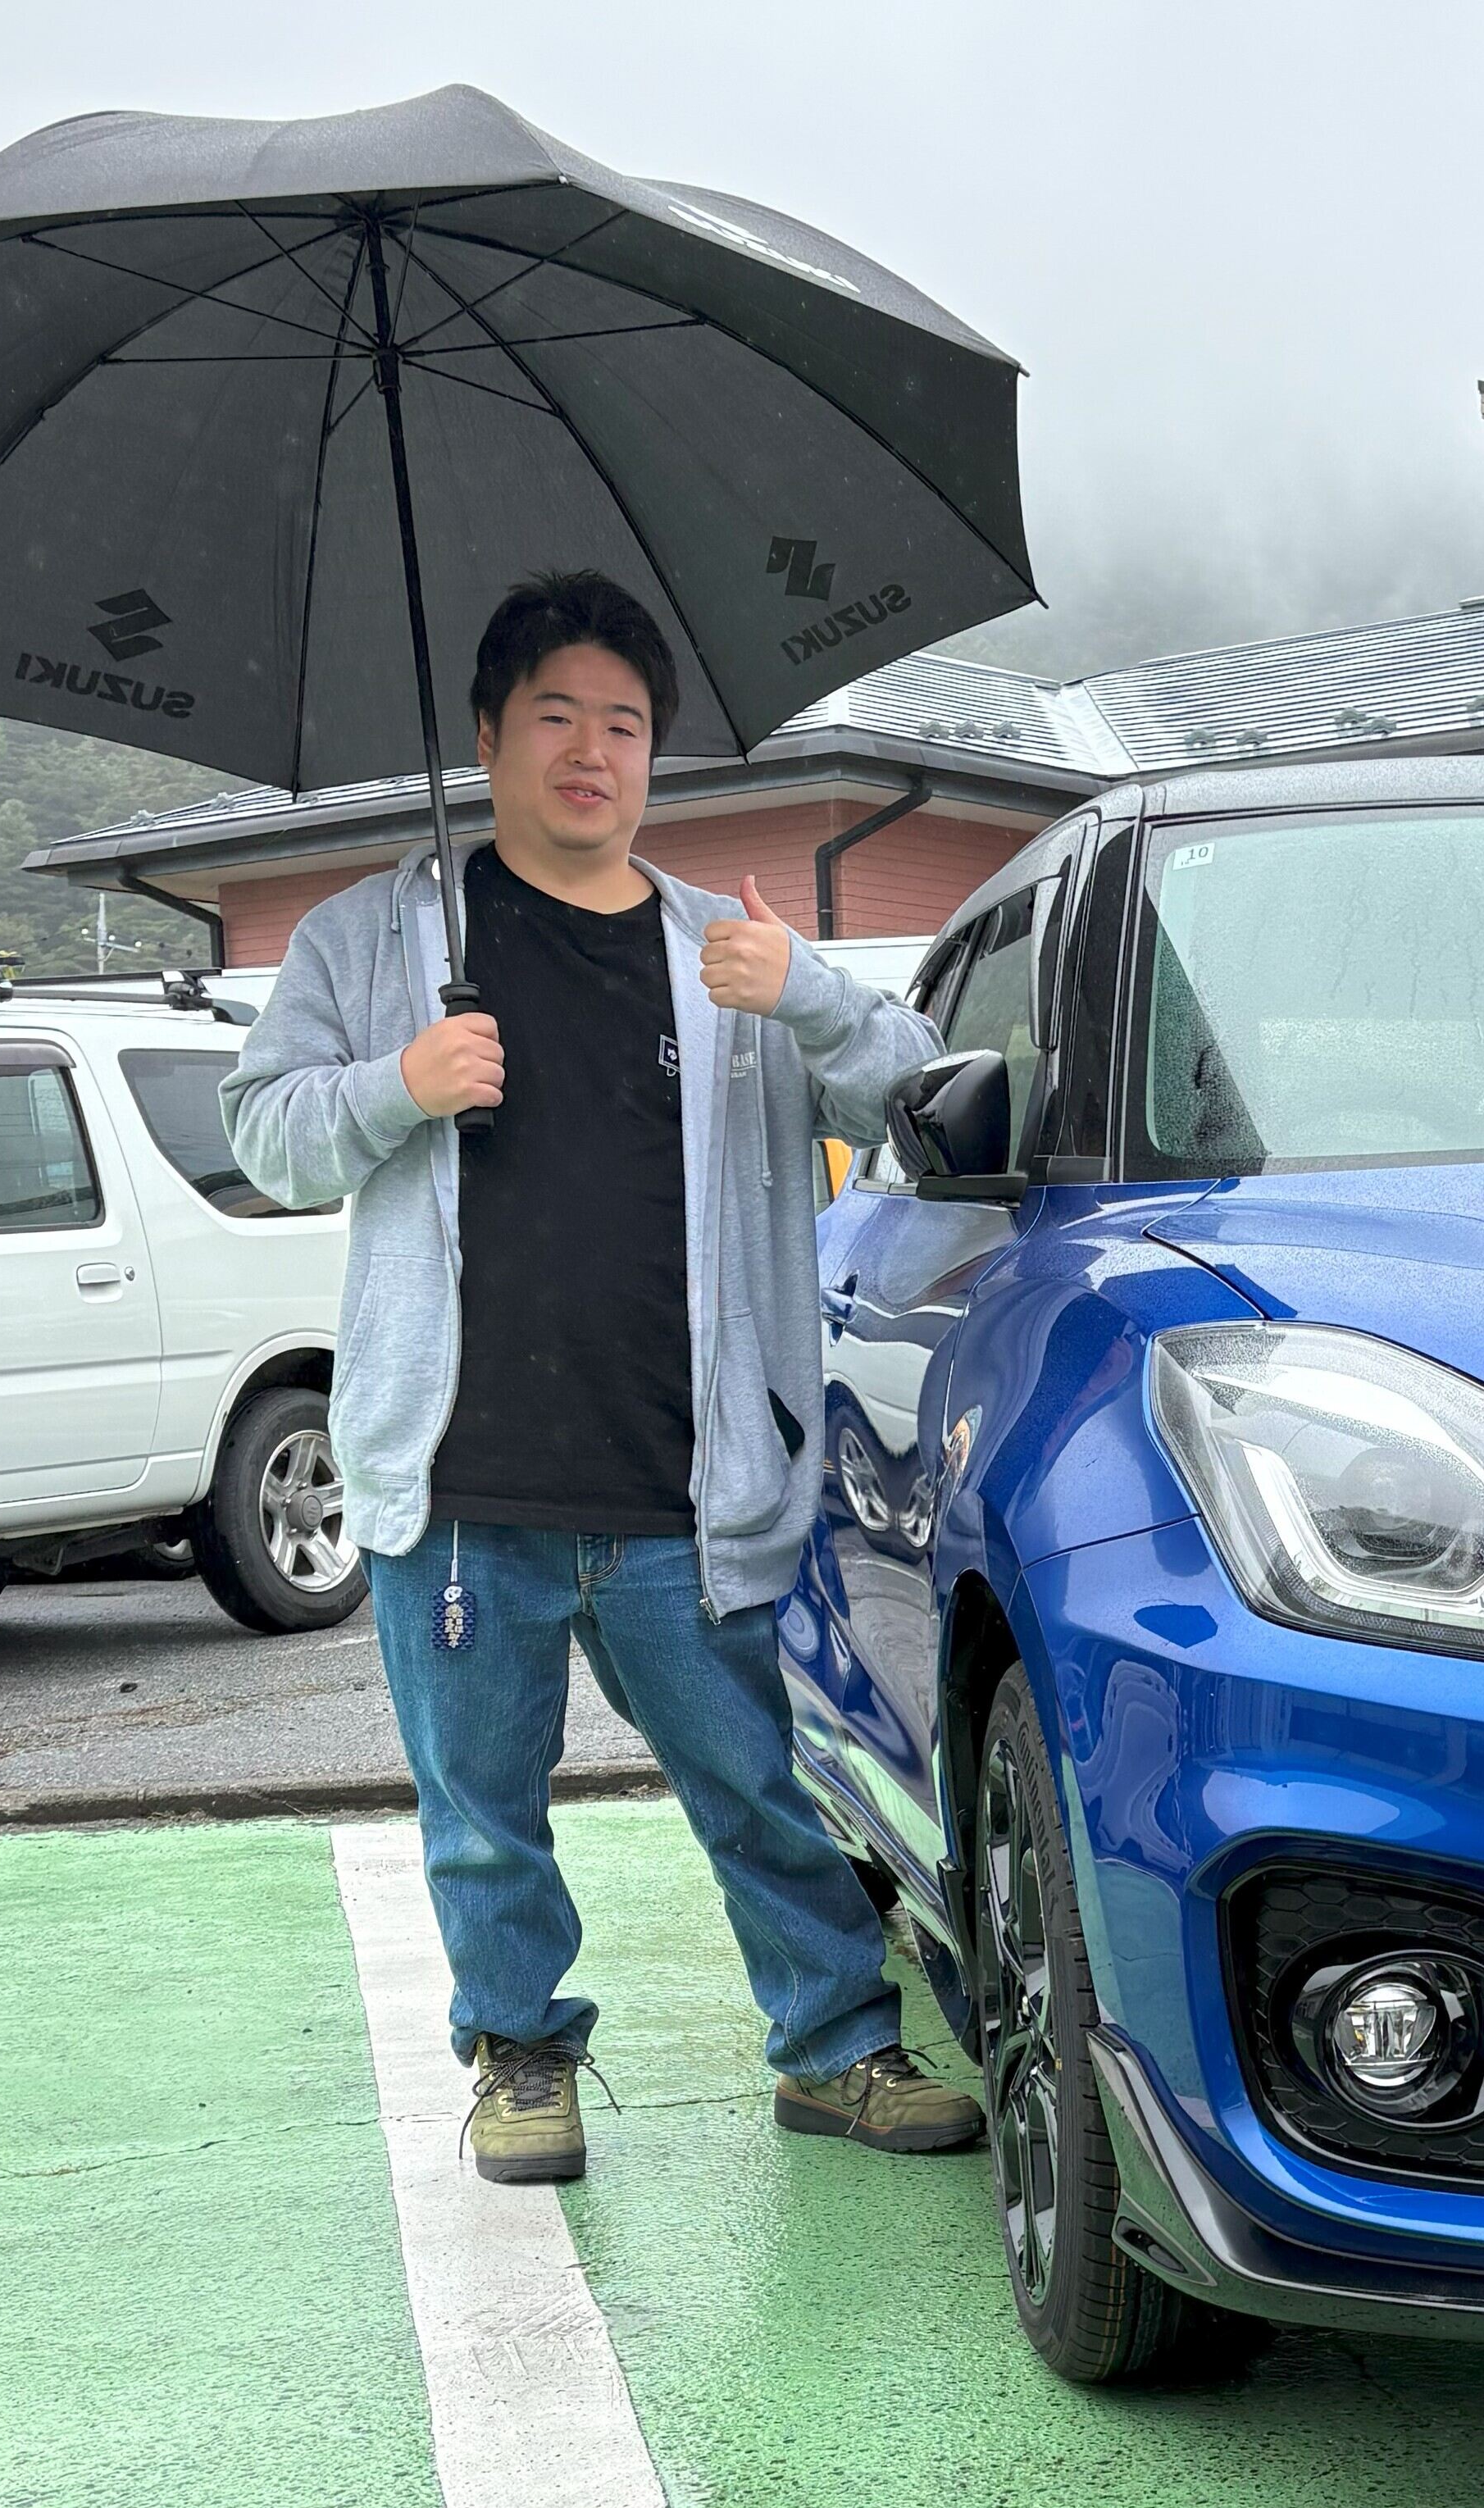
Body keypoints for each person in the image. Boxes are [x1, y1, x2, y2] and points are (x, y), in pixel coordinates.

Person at [224, 570, 976, 2184]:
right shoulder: (375, 940)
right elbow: (265, 1135)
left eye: (623, 724)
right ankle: (519, 2054)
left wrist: (810, 993)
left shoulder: (728, 953)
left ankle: (837, 2045)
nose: (591, 751)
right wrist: (397, 1083)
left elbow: (917, 1092)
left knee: (760, 1784)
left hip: (683, 1476)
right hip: (462, 1479)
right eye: (554, 715)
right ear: (488, 736)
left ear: (653, 755)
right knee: (480, 1804)